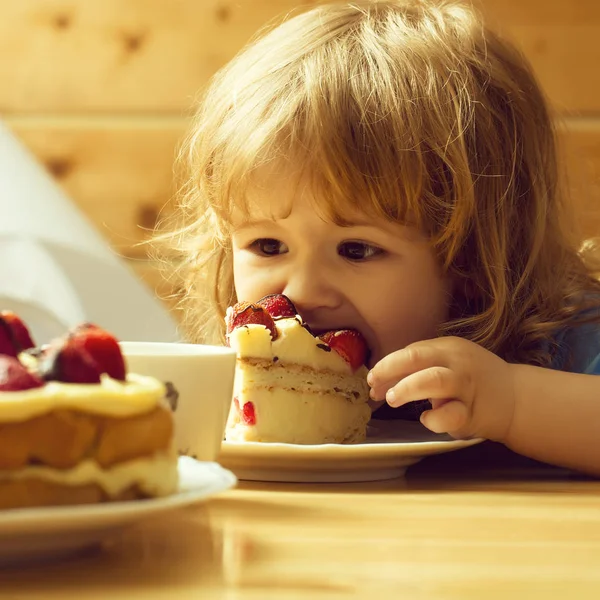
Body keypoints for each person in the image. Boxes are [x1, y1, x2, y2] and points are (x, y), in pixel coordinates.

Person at [159, 0, 600, 475]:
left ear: (472, 262)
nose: (301, 292)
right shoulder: (244, 376)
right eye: (269, 246)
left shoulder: (565, 342)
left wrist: (513, 402)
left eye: (356, 250)